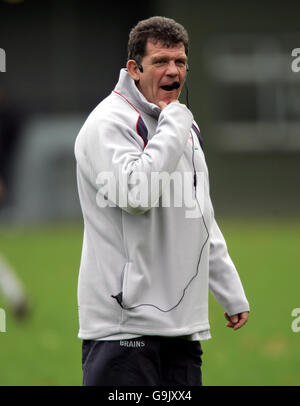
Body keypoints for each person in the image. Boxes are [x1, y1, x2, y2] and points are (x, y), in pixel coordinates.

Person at [75, 16, 250, 386]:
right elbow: (136, 195)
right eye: (161, 62)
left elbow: (199, 213)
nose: (173, 70)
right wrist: (174, 122)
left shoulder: (180, 124)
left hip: (182, 329)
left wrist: (229, 289)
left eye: (180, 62)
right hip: (122, 331)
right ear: (135, 69)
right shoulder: (108, 123)